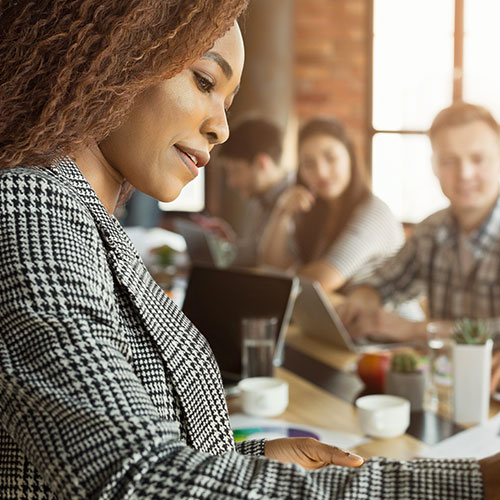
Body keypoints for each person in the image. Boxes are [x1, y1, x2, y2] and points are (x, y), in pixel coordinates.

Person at [0, 2, 498, 498]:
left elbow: (135, 455)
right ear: (117, 56)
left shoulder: (86, 218)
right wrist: (474, 484)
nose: (222, 128)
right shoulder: (32, 206)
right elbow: (139, 479)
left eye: (227, 101)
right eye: (203, 81)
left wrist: (248, 460)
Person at [339, 102, 500, 393]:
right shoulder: (431, 230)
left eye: (478, 159)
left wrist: (415, 330)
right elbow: (386, 280)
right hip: (443, 389)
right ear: (434, 166)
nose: (464, 173)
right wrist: (366, 295)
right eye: (449, 160)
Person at [258, 117, 404, 293]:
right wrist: (282, 212)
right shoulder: (317, 212)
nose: (321, 172)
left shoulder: (375, 212)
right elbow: (271, 264)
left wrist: (279, 278)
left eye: (331, 158)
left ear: (350, 156)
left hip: (389, 318)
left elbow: (322, 280)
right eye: (309, 164)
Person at [198, 117, 294, 267]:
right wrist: (230, 243)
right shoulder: (260, 200)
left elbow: (276, 266)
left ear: (262, 163)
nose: (231, 182)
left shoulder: (295, 200)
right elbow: (255, 255)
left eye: (235, 171)